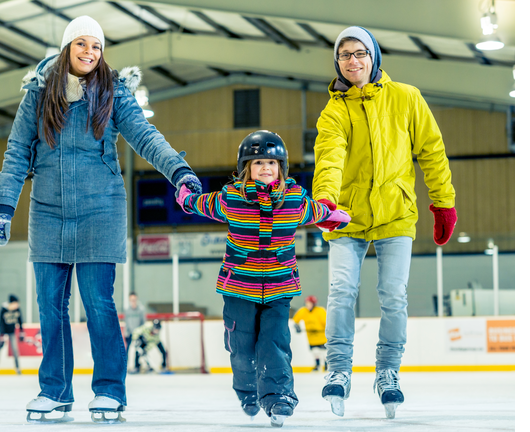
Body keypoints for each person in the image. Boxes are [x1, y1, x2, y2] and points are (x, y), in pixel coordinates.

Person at [0, 15, 202, 424]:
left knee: (99, 304)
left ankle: (109, 391)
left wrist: (178, 172)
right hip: (48, 211)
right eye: (81, 44)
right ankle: (55, 391)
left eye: (97, 46)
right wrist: (3, 205)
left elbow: (145, 136)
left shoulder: (114, 92)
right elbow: (17, 150)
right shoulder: (38, 94)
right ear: (68, 47)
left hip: (100, 209)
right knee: (50, 307)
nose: (89, 52)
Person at [312, 26, 457, 420]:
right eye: (345, 56)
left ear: (373, 56)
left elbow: (432, 150)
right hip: (347, 215)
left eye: (360, 53)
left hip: (396, 213)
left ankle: (387, 371)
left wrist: (443, 203)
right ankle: (339, 369)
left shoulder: (406, 97)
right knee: (341, 290)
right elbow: (330, 158)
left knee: (393, 295)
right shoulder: (334, 110)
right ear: (337, 63)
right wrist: (325, 201)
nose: (353, 61)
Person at [177, 130, 351, 427]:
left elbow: (317, 212)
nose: (266, 167)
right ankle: (246, 390)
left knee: (275, 342)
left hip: (280, 287)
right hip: (238, 288)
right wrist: (184, 195)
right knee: (241, 347)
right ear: (247, 168)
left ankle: (278, 397)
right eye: (258, 163)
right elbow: (199, 203)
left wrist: (334, 216)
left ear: (281, 167)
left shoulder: (295, 199)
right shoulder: (230, 198)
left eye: (272, 162)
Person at [292, 295, 327, 372]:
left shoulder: (320, 311)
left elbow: (326, 322)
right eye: (307, 303)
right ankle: (317, 365)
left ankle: (326, 365)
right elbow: (296, 320)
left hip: (322, 336)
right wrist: (297, 327)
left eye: (309, 303)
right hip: (311, 336)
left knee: (324, 352)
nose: (307, 305)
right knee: (315, 351)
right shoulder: (303, 311)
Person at [0, 294, 24, 375]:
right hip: (3, 332)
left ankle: (17, 368)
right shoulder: (3, 310)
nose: (17, 305)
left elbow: (20, 321)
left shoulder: (17, 310)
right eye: (16, 303)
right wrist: (2, 335)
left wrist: (21, 331)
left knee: (15, 349)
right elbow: (1, 323)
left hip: (11, 332)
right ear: (11, 303)